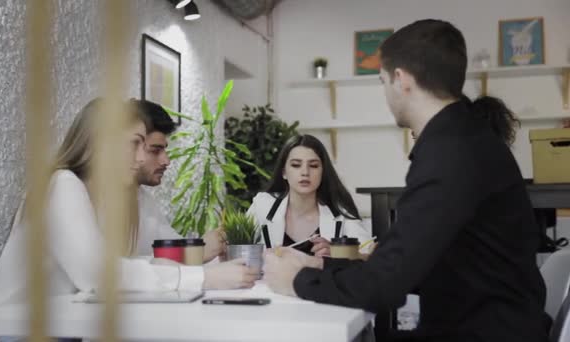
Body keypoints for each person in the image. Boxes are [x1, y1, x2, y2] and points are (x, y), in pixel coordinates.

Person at [263, 19, 548, 342]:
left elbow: (384, 287)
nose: (385, 93)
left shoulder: (450, 154)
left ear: (401, 80)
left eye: (383, 81)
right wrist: (320, 266)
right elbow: (406, 264)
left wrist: (297, 279)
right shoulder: (464, 140)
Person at [0, 98, 258, 309]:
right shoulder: (63, 185)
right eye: (137, 145)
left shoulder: (126, 198)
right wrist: (203, 277)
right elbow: (97, 275)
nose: (142, 159)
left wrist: (208, 264)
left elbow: (146, 260)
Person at [131, 99, 225, 261]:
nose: (166, 160)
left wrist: (209, 244)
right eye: (155, 151)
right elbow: (116, 271)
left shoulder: (144, 199)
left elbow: (174, 246)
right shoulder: (85, 193)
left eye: (164, 150)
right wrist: (196, 252)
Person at [247, 134, 371, 256]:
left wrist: (337, 253)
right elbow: (236, 248)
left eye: (313, 166)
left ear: (323, 172)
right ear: (284, 172)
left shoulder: (340, 212)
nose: (305, 172)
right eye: (296, 165)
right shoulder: (262, 205)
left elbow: (369, 253)